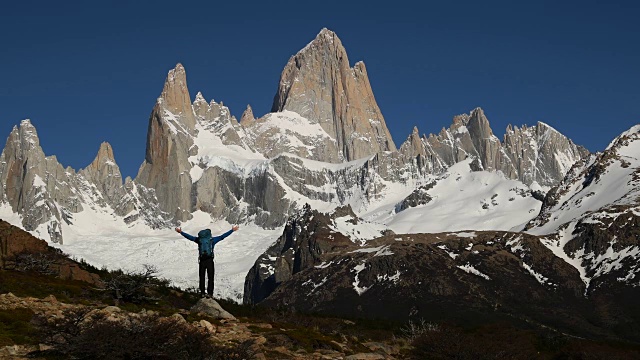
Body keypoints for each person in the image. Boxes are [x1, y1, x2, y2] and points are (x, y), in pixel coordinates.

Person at [175, 225, 239, 298]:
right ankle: (210, 294)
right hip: (209, 260)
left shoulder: (199, 240)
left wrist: (181, 232)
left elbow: (190, 237)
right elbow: (222, 237)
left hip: (202, 261)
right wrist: (232, 230)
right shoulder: (212, 240)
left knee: (202, 277)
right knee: (210, 277)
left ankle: (202, 293)